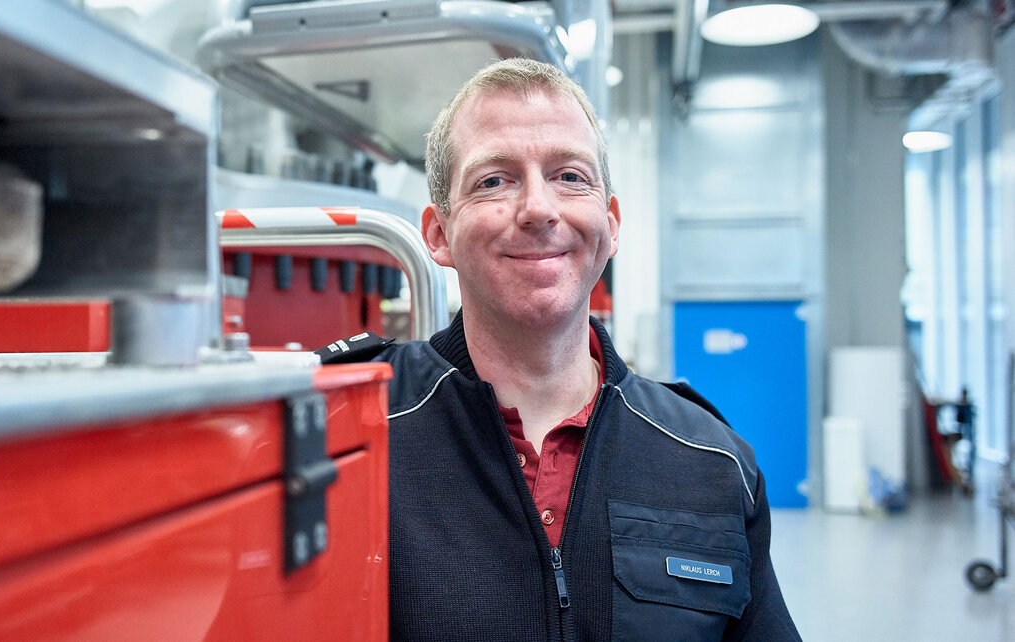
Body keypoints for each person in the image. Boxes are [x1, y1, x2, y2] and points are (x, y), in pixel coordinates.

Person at [319, 58, 800, 641]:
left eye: (570, 176)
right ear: (438, 233)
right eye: (493, 180)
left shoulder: (712, 463)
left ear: (611, 223)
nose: (539, 209)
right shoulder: (344, 431)